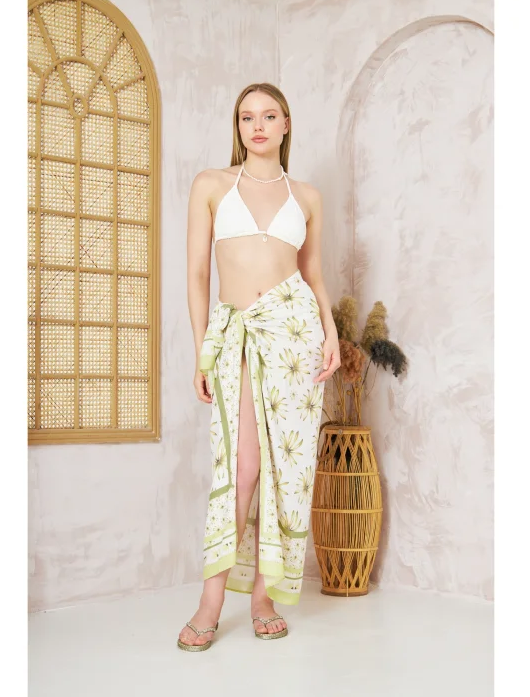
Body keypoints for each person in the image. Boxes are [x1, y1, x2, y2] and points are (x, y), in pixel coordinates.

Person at [179, 83, 340, 651]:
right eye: (247, 117)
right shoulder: (211, 184)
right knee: (243, 467)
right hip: (237, 334)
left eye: (269, 116)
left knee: (287, 469)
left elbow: (313, 274)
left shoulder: (308, 197)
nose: (258, 126)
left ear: (286, 124)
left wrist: (331, 332)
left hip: (296, 336)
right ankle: (210, 603)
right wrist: (202, 350)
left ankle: (263, 599)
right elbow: (198, 275)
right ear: (238, 126)